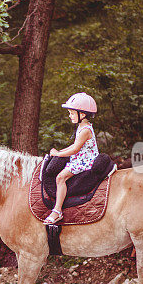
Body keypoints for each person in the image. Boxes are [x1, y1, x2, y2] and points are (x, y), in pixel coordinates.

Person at [44, 93, 100, 224]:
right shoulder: (81, 127)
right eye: (70, 113)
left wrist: (58, 155)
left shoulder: (86, 130)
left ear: (83, 114)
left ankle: (57, 211)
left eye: (72, 113)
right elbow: (74, 145)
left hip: (86, 161)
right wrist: (60, 151)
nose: (70, 116)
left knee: (60, 177)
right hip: (80, 157)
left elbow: (75, 150)